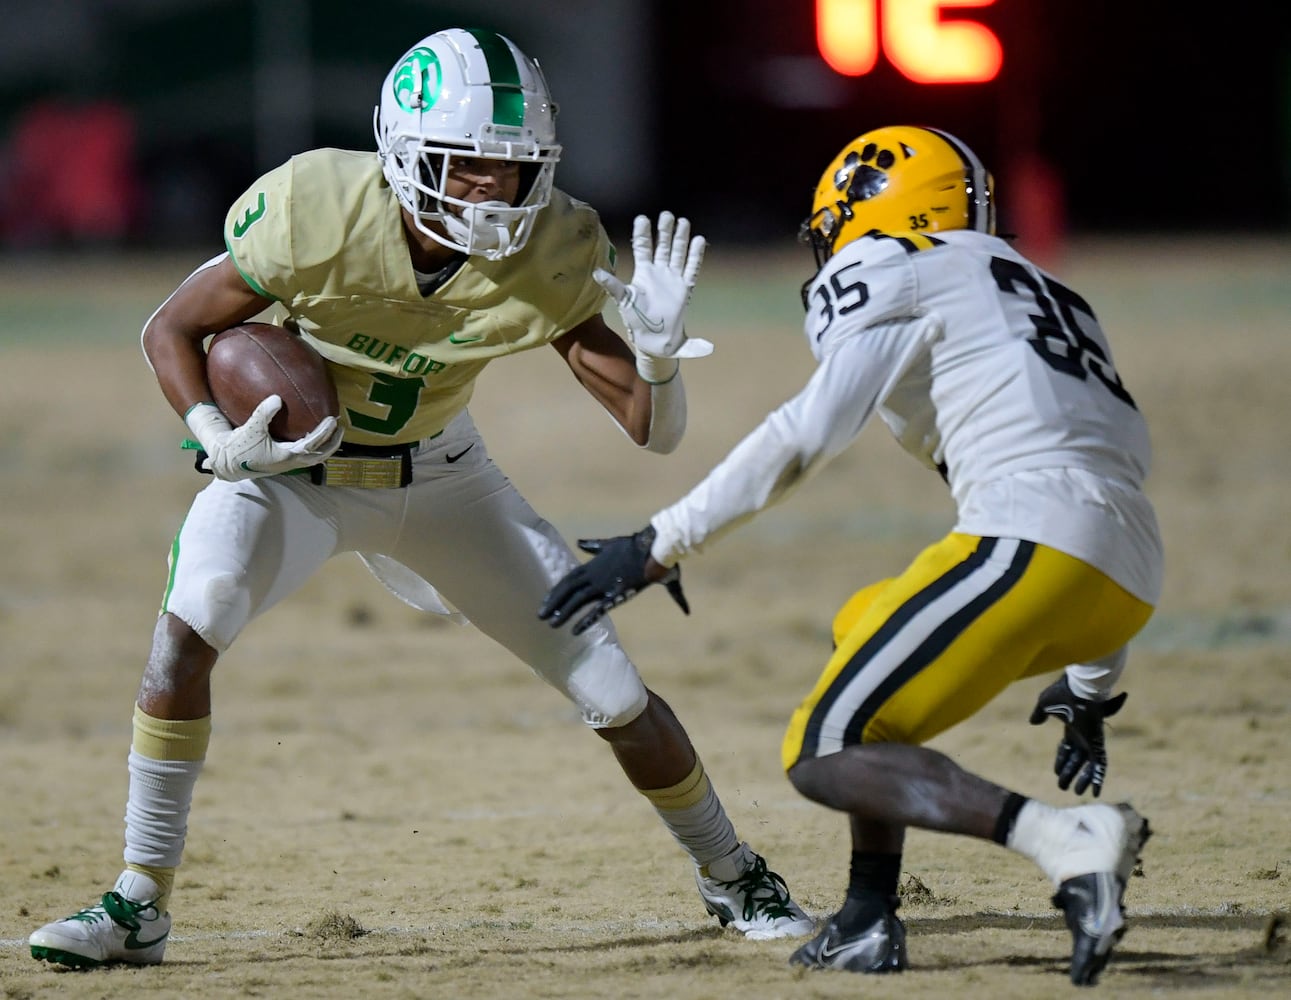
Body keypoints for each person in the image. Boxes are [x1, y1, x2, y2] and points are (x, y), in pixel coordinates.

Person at [27, 27, 814, 970]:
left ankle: (732, 874)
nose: (490, 189)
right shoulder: (315, 204)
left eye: (512, 170)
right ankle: (138, 902)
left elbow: (655, 429)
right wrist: (212, 435)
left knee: (611, 689)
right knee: (185, 629)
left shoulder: (554, 245)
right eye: (466, 164)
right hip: (295, 472)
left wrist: (656, 358)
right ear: (405, 154)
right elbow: (174, 328)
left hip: (444, 477)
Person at [540, 125, 1163, 987]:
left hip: (1033, 539)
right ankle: (868, 914)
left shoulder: (892, 263)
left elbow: (807, 433)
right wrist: (1091, 689)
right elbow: (1095, 484)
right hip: (1121, 579)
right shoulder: (1044, 292)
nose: (829, 246)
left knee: (825, 749)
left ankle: (1062, 837)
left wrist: (657, 545)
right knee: (859, 624)